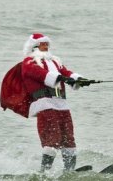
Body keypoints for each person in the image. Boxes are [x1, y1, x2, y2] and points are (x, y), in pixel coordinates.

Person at [21, 33, 91, 172]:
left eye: (47, 44)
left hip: (61, 105)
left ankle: (69, 172)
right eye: (43, 44)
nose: (46, 46)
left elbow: (66, 72)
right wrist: (64, 79)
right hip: (45, 105)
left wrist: (79, 79)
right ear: (34, 46)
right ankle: (44, 173)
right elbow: (42, 75)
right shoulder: (28, 63)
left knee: (69, 140)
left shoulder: (55, 61)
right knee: (51, 140)